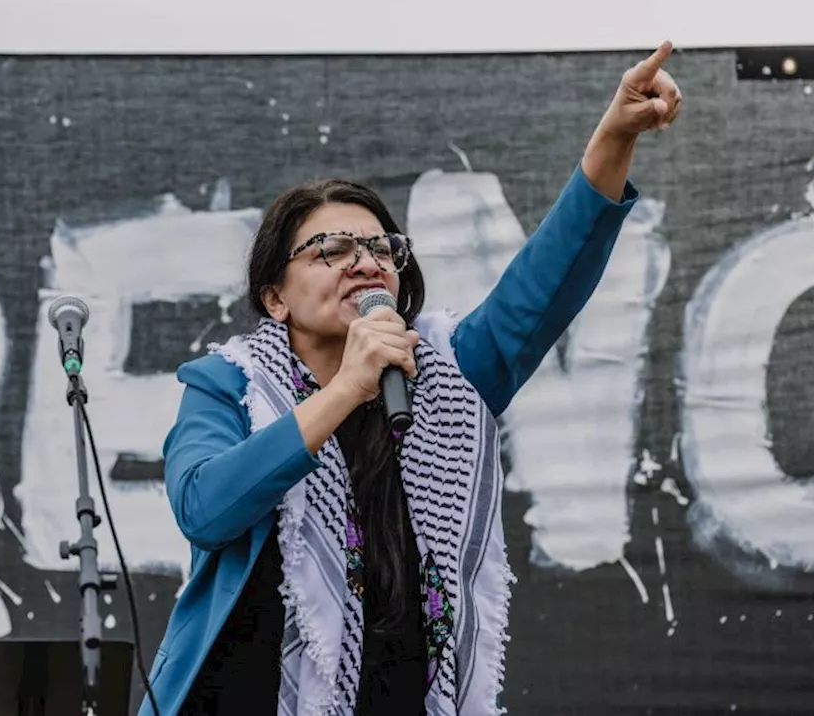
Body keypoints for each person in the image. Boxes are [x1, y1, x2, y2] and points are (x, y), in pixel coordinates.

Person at [138, 43, 683, 716]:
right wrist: (344, 391)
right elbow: (205, 507)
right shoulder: (228, 385)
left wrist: (614, 135)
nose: (364, 263)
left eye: (379, 249)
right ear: (275, 295)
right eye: (330, 250)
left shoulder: (447, 373)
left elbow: (545, 283)